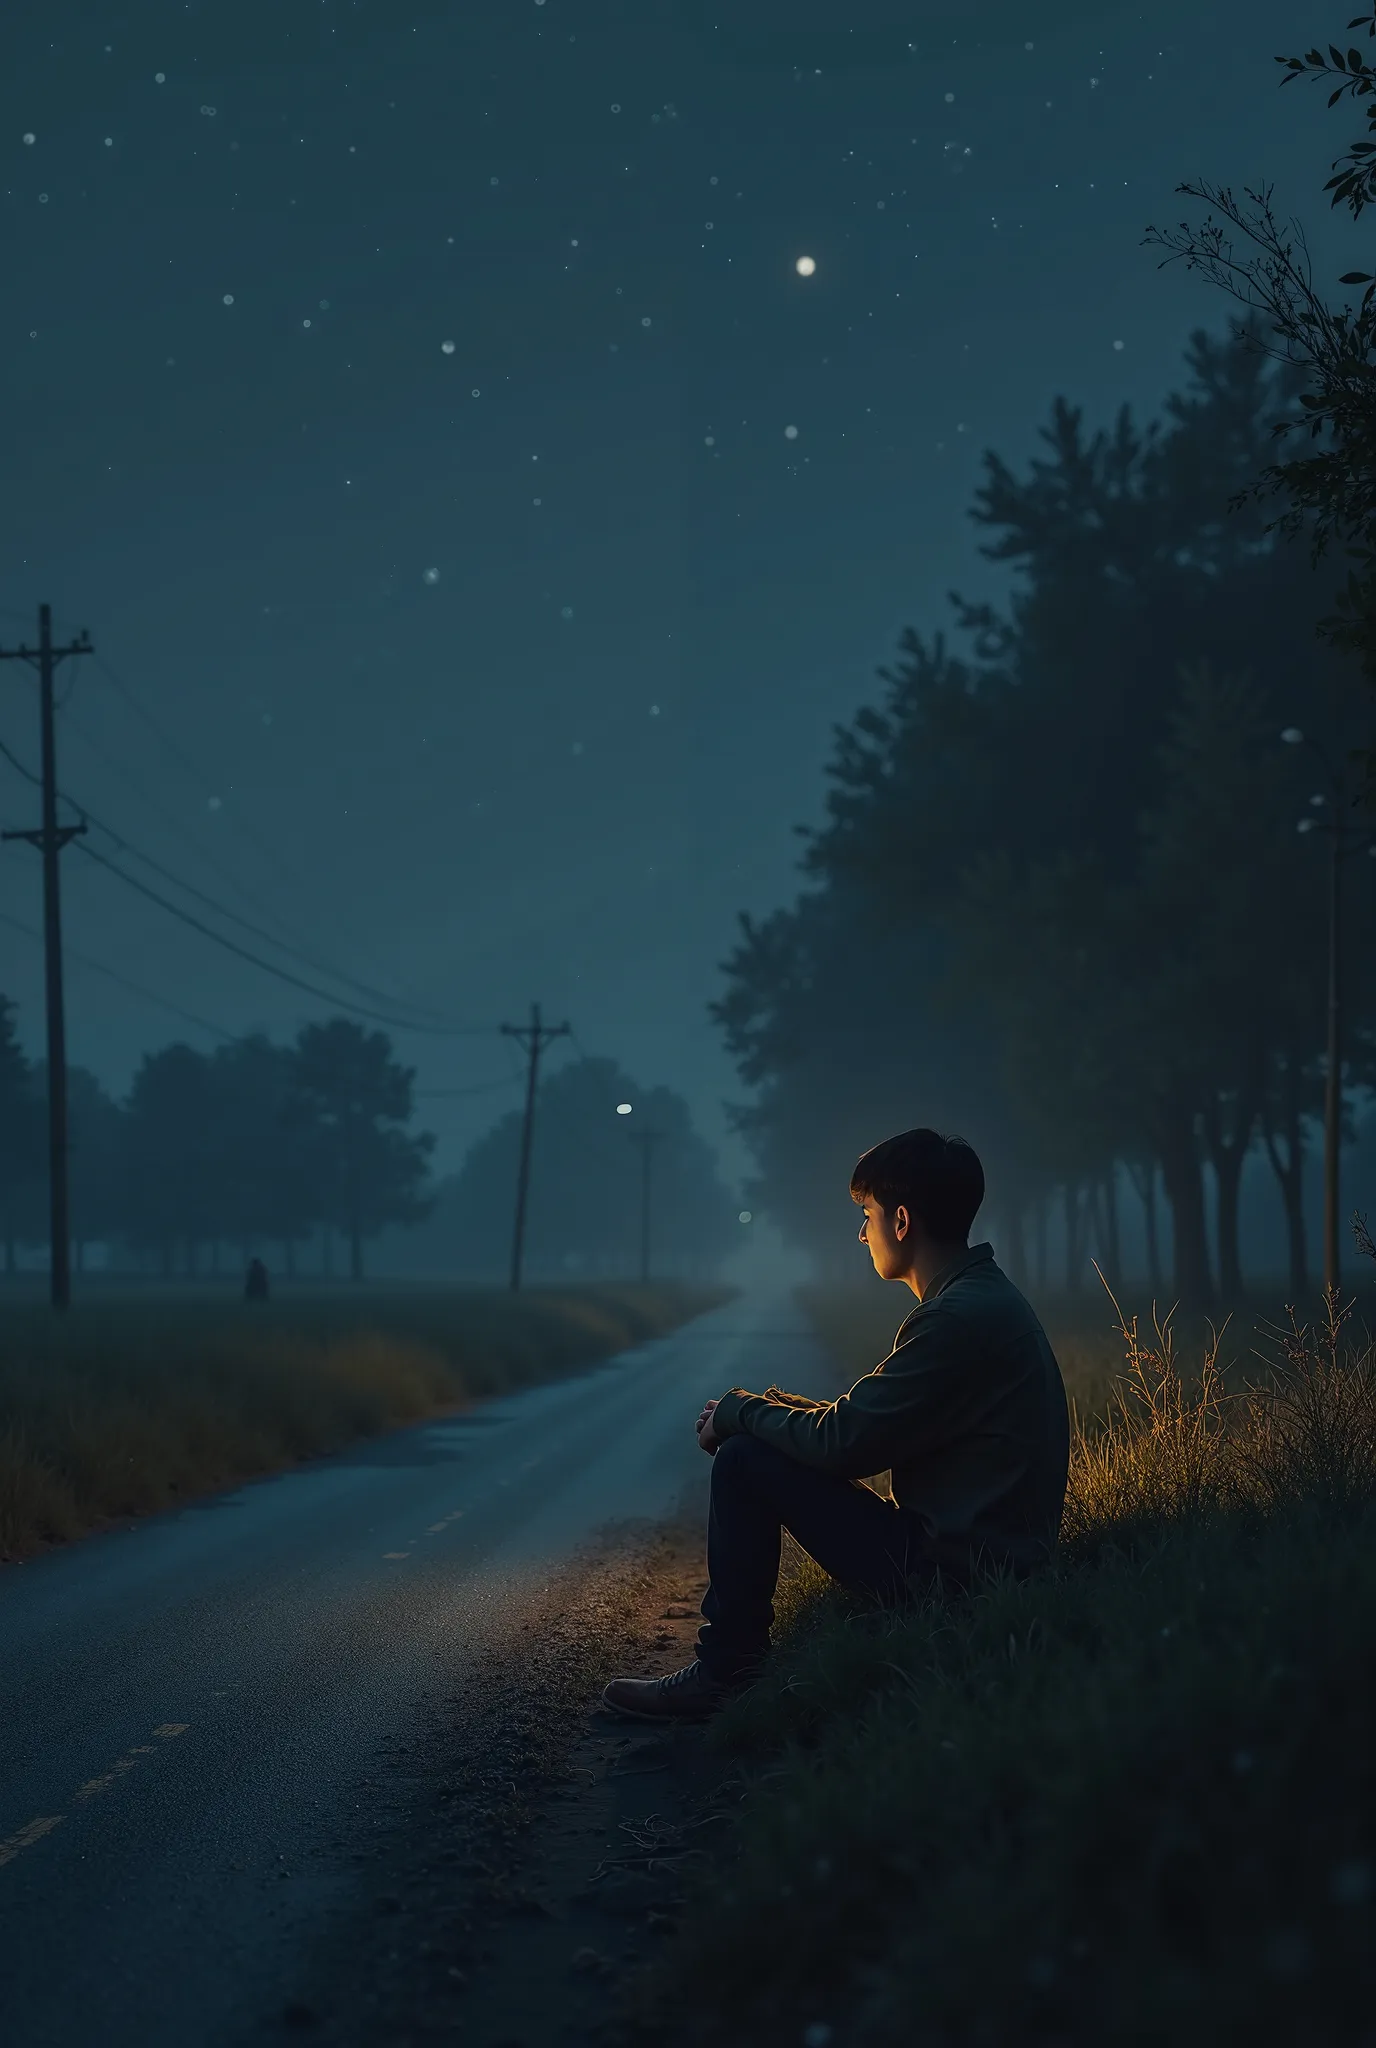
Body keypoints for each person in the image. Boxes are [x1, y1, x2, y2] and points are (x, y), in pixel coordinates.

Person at [602, 1127, 1070, 1722]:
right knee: (755, 1442)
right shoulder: (979, 1301)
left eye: (868, 1213)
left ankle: (725, 1672)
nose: (861, 1231)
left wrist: (742, 1415)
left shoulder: (954, 1321)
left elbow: (846, 1445)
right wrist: (763, 1406)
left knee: (746, 1460)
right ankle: (727, 1668)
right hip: (985, 1567)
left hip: (958, 1585)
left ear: (902, 1221)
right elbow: (864, 1421)